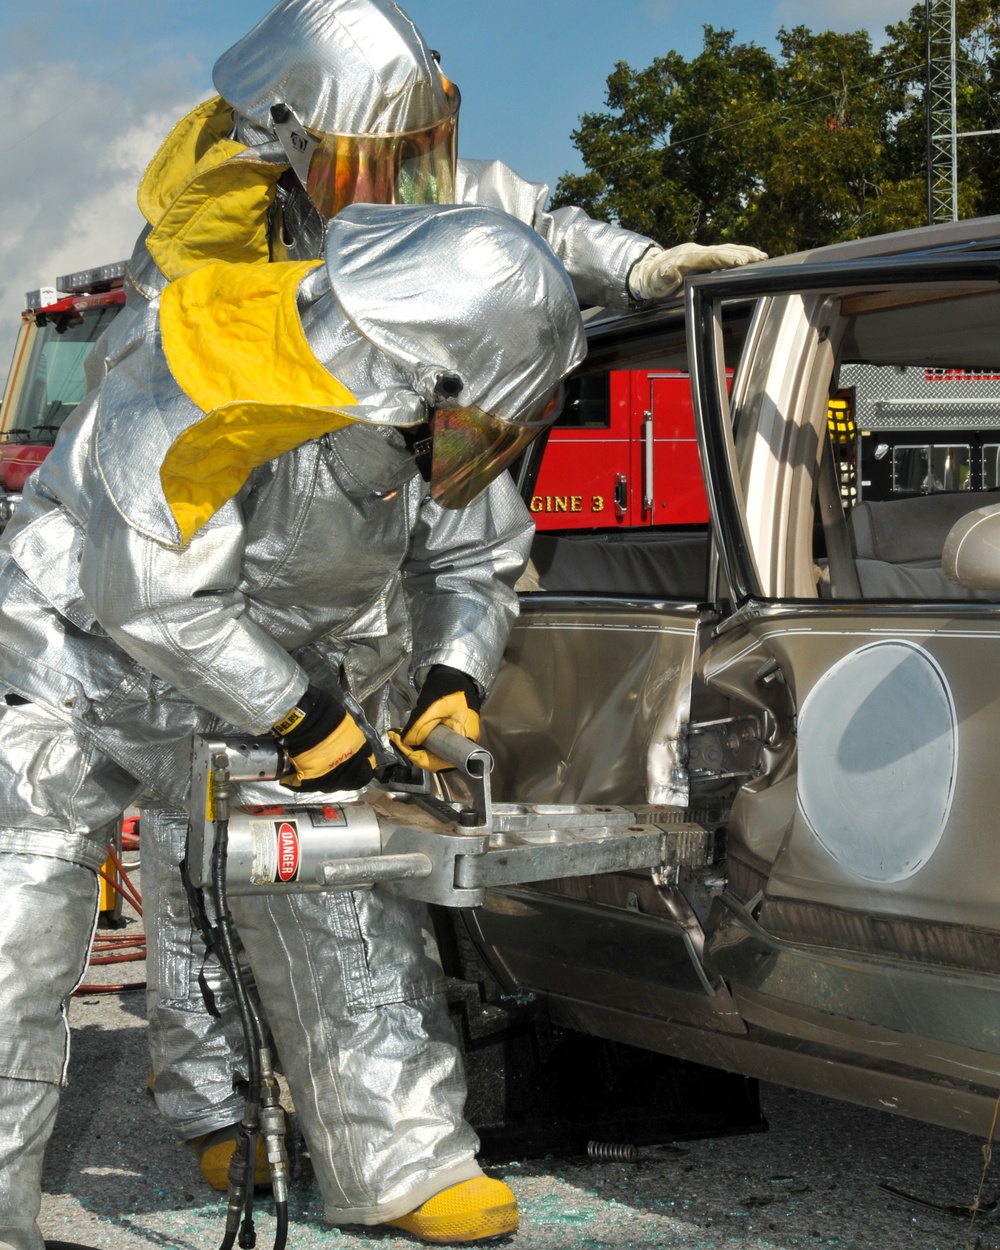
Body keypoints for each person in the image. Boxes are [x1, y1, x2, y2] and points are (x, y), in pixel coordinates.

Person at [94, 0, 766, 1198]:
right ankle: (222, 1099)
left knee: (338, 876)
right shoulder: (205, 254)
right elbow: (155, 471)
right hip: (209, 581)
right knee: (205, 861)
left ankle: (387, 1148)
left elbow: (519, 228)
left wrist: (642, 265)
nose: (399, 177)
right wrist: (272, 688)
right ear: (293, 129)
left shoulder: (433, 269)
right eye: (375, 149)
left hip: (348, 551)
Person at [0, 200, 586, 1248]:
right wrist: (308, 713)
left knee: (334, 892)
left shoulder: (439, 422)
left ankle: (398, 1158)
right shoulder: (209, 364)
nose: (476, 449)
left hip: (263, 671)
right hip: (75, 648)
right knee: (16, 929)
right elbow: (144, 586)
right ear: (420, 374)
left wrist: (452, 670)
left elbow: (467, 558)